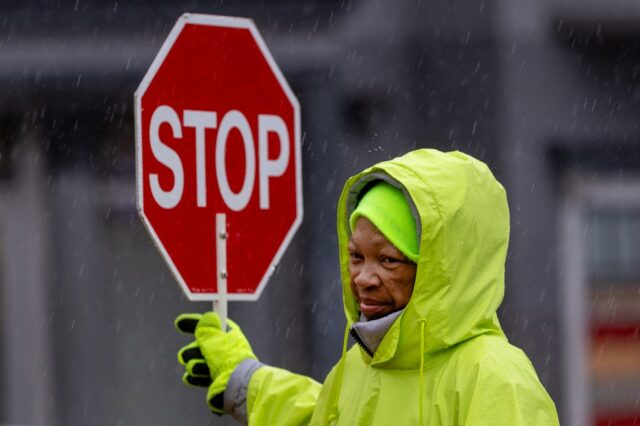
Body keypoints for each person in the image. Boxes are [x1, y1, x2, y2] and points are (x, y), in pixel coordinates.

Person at [175, 149, 560, 425]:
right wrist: (247, 382)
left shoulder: (495, 380)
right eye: (356, 257)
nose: (362, 278)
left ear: (442, 269)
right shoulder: (358, 368)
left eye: (388, 259)